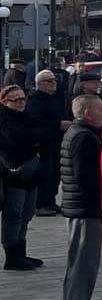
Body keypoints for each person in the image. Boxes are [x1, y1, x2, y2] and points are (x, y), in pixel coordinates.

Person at [58, 94, 102, 300]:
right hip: (85, 208)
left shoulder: (82, 133)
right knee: (83, 260)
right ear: (87, 113)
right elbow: (84, 177)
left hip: (81, 207)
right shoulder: (83, 137)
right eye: (101, 109)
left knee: (82, 259)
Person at [1, 83, 44, 270]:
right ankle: (11, 257)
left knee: (27, 214)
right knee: (14, 216)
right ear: (4, 101)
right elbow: (13, 141)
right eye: (16, 100)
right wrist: (33, 137)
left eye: (23, 99)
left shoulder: (26, 115)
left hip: (31, 172)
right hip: (14, 173)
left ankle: (21, 252)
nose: (21, 103)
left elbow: (40, 133)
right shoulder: (4, 119)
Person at [26, 69, 68, 217]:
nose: (53, 83)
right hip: (44, 143)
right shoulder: (35, 99)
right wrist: (58, 124)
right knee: (46, 173)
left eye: (54, 80)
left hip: (57, 142)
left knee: (55, 174)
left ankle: (51, 201)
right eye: (49, 81)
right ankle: (41, 203)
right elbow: (35, 121)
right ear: (40, 83)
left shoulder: (55, 97)